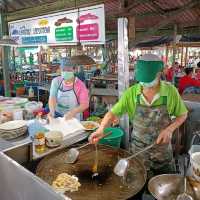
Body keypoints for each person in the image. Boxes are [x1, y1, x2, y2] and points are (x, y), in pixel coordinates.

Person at [90, 54, 188, 178]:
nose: (144, 84)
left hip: (163, 153)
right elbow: (112, 113)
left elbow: (183, 115)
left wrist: (169, 129)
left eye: (148, 79)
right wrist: (101, 128)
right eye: (142, 80)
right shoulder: (131, 93)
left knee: (165, 190)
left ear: (159, 73)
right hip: (138, 152)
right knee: (136, 187)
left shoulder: (171, 91)